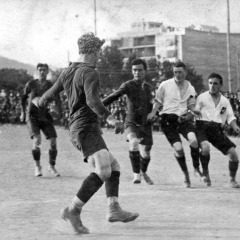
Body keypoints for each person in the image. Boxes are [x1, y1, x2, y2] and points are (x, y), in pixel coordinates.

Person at [32, 33, 139, 234]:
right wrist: (110, 118)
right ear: (93, 51)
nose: (99, 54)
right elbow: (92, 101)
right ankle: (72, 210)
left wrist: (38, 102)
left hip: (78, 128)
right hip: (85, 127)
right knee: (104, 170)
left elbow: (46, 97)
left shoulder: (68, 71)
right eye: (98, 50)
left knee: (113, 166)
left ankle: (113, 208)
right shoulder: (90, 72)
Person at [148, 61, 203, 188]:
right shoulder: (165, 85)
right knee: (178, 148)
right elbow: (157, 101)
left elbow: (191, 104)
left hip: (182, 119)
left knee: (194, 141)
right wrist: (152, 113)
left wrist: (194, 110)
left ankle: (196, 168)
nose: (177, 75)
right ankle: (185, 175)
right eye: (175, 72)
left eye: (180, 72)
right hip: (167, 120)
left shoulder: (190, 87)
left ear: (185, 73)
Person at [102, 59, 154, 185]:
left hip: (145, 123)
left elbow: (152, 105)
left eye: (140, 70)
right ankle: (137, 175)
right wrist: (99, 105)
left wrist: (155, 114)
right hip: (131, 122)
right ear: (132, 71)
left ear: (145, 71)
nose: (137, 72)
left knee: (146, 153)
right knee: (134, 142)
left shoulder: (148, 88)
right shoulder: (128, 85)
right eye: (134, 70)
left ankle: (143, 171)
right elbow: (114, 96)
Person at [194, 73, 240, 188]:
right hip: (202, 127)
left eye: (215, 83)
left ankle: (232, 180)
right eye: (210, 83)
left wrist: (235, 126)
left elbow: (229, 116)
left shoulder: (224, 101)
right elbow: (194, 111)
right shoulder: (202, 97)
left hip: (216, 130)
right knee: (205, 147)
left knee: (233, 154)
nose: (212, 86)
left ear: (221, 85)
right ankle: (205, 173)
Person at [20, 63, 61, 177]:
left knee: (53, 141)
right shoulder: (31, 84)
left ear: (48, 72)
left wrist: (57, 111)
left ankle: (51, 166)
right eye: (40, 70)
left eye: (44, 70)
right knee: (37, 140)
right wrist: (23, 112)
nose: (42, 72)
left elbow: (57, 100)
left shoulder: (51, 85)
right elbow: (23, 98)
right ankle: (38, 167)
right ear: (37, 71)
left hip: (46, 116)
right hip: (32, 116)